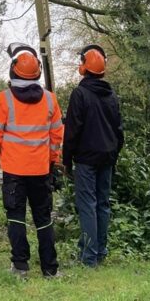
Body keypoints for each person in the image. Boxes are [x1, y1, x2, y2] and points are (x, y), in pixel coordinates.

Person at [0, 43, 64, 279]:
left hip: (14, 171)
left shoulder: (3, 100)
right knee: (44, 218)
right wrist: (53, 161)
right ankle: (50, 268)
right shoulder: (50, 100)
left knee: (16, 217)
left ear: (13, 70)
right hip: (41, 170)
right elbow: (57, 136)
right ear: (37, 71)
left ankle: (20, 266)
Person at [62, 44, 124, 268]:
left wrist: (66, 160)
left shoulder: (80, 94)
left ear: (84, 67)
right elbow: (119, 132)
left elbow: (72, 131)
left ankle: (89, 257)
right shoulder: (112, 96)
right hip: (106, 158)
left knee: (88, 205)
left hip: (86, 159)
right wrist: (114, 155)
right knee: (103, 205)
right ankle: (100, 251)